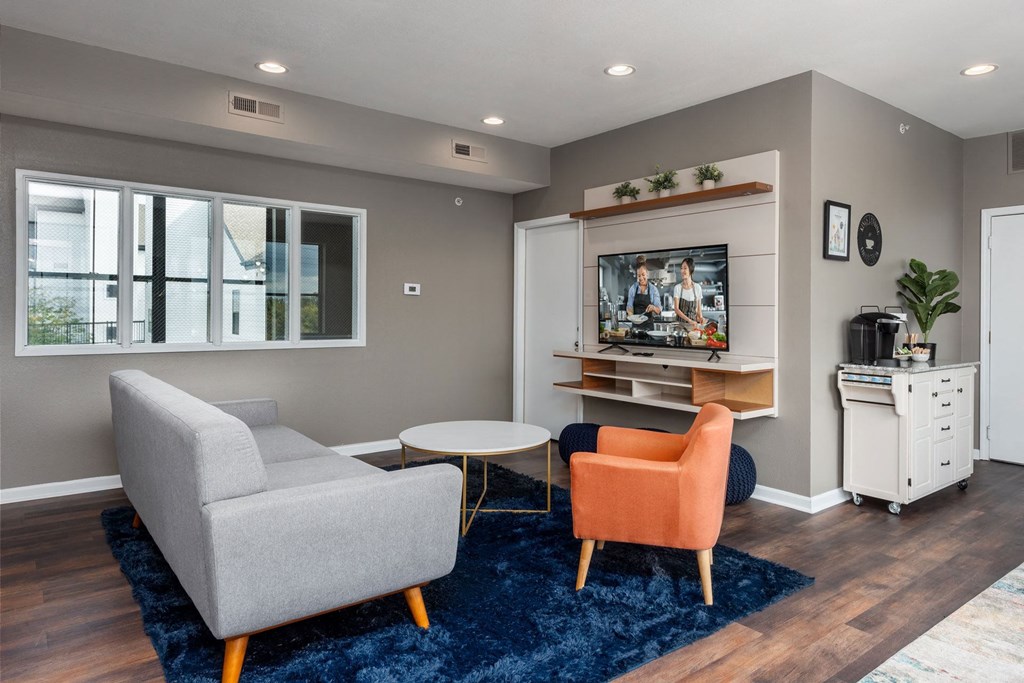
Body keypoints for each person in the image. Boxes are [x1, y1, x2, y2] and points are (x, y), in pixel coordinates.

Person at [673, 257, 705, 330]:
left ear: (691, 270)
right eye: (681, 268)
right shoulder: (677, 288)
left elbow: (699, 311)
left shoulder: (697, 287)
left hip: (693, 327)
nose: (682, 271)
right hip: (680, 327)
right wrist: (689, 320)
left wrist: (701, 318)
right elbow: (676, 309)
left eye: (685, 268)